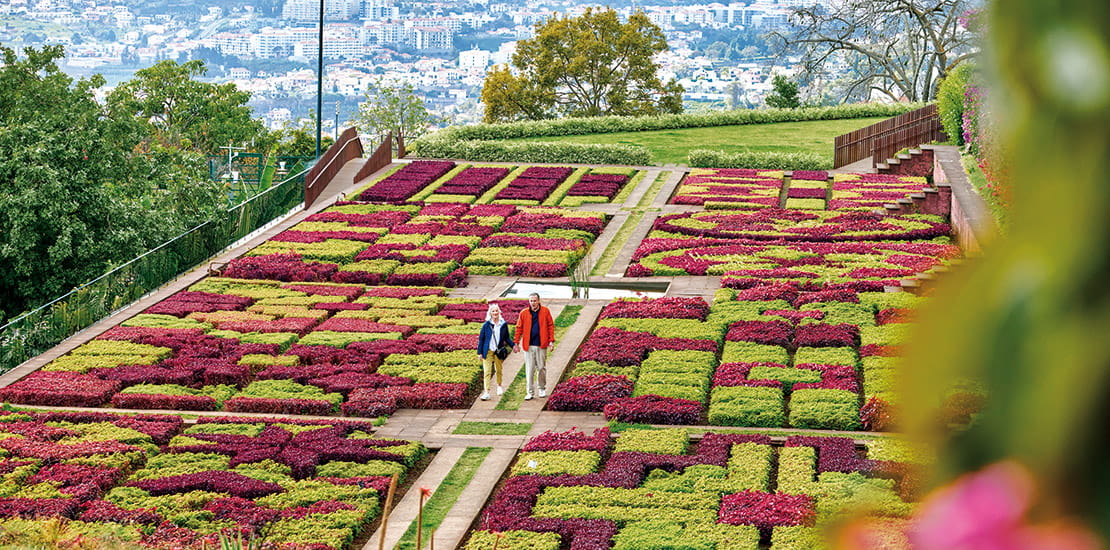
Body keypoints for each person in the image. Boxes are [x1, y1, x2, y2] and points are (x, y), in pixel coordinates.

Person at [513, 292, 554, 400]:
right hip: (528, 346)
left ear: (539, 301)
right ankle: (530, 392)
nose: (533, 303)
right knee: (529, 369)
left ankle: (541, 388)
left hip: (541, 345)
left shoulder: (545, 311)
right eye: (531, 301)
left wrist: (551, 341)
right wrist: (516, 342)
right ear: (529, 301)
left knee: (541, 368)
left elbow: (550, 325)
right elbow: (519, 328)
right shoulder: (524, 313)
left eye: (535, 301)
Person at [477, 303, 511, 400]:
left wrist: (514, 345)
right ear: (490, 313)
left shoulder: (503, 324)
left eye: (496, 311)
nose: (495, 313)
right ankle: (487, 392)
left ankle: (499, 385)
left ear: (499, 312)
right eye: (493, 311)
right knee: (487, 372)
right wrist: (479, 353)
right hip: (487, 351)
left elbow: (507, 338)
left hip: (498, 351)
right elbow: (481, 339)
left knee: (498, 369)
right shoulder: (486, 325)